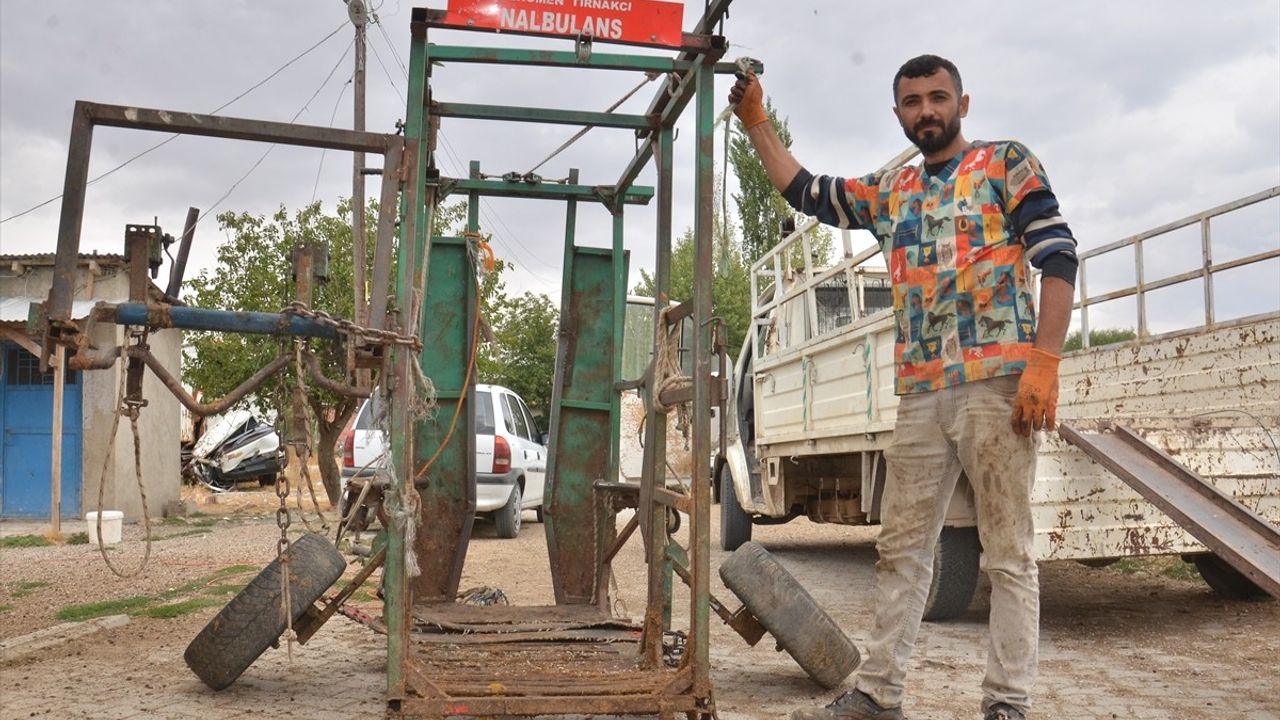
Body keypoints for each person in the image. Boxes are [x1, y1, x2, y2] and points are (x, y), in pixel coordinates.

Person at [730, 55, 1078, 720]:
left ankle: (1007, 704)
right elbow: (806, 190)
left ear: (963, 104)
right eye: (913, 101)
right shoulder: (894, 191)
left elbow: (1058, 256)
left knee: (1007, 552)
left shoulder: (1006, 164)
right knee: (902, 551)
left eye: (938, 97)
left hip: (998, 387)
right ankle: (878, 695)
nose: (927, 110)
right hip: (922, 393)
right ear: (898, 114)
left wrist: (1047, 361)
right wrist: (755, 123)